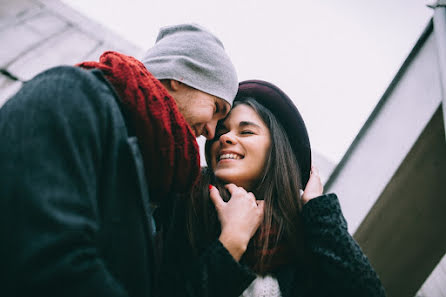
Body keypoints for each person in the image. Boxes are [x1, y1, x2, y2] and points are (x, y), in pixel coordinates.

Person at [0, 24, 238, 297]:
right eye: (217, 109)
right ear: (180, 76)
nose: (211, 131)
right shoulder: (68, 97)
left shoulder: (160, 183)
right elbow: (42, 258)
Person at [160, 80, 386, 297]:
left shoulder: (304, 235)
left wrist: (319, 211)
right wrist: (232, 242)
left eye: (246, 132)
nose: (226, 137)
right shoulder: (181, 199)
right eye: (221, 131)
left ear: (275, 151)